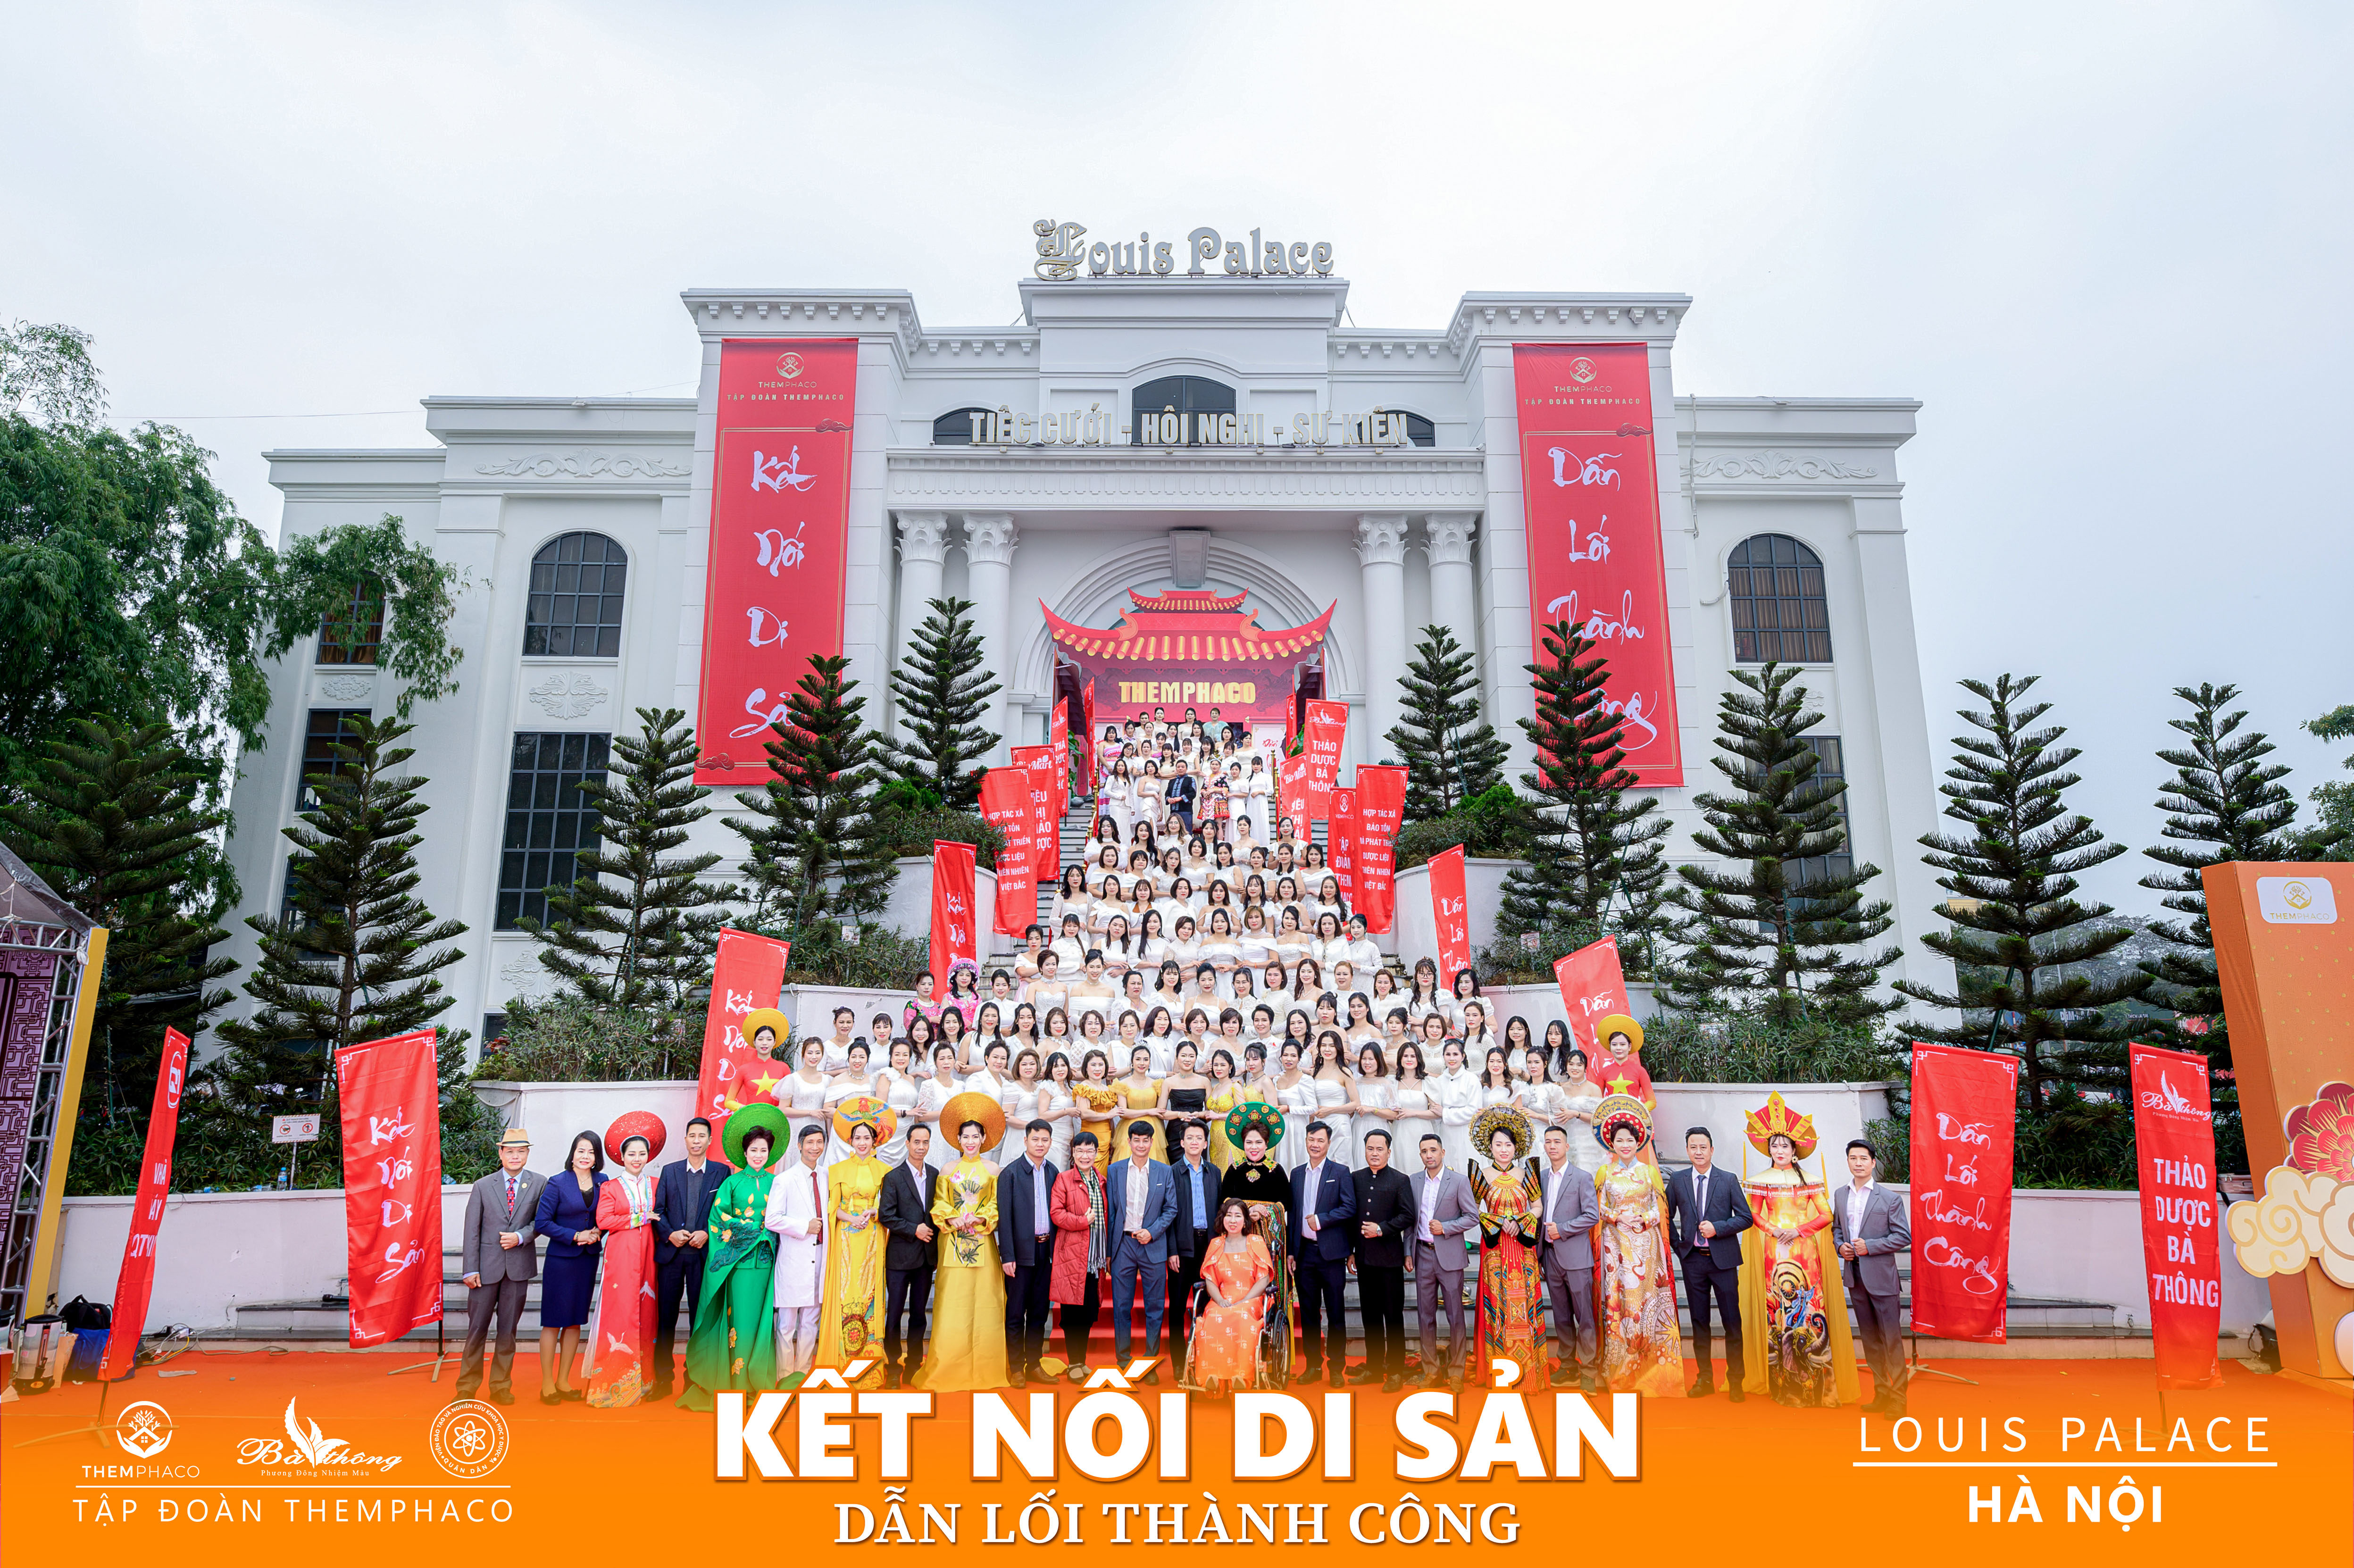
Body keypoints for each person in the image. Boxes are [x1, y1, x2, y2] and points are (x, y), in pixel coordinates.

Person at [1738, 1099, 1860, 1409]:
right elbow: (1753, 1214)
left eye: (1785, 1146)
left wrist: (1798, 1230)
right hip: (1774, 1252)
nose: (1779, 1150)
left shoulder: (1810, 1182)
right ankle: (1783, 1385)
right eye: (1774, 1146)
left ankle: (1818, 1385)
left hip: (1805, 1253)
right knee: (1778, 1309)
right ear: (1769, 1150)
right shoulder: (1760, 1182)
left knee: (1809, 1309)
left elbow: (1827, 1216)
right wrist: (1773, 1229)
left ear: (1795, 1150)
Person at [678, 1103, 787, 1410]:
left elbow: (782, 1220)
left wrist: (769, 1233)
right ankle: (736, 1383)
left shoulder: (777, 1183)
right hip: (739, 1265)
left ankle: (757, 1380)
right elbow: (718, 1220)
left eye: (763, 1150)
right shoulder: (731, 1183)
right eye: (754, 1150)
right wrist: (757, 1230)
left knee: (761, 1323)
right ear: (745, 1152)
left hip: (766, 1263)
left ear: (770, 1153)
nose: (758, 1156)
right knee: (739, 1322)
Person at [1594, 1104, 1685, 1396]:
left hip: (1646, 1245)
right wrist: (1618, 1217)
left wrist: (1644, 1219)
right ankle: (1619, 1368)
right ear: (1612, 1143)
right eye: (1619, 1140)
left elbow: (1661, 1209)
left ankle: (1651, 1369)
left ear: (1638, 1143)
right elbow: (1598, 1208)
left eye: (1630, 1140)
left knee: (1647, 1301)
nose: (1625, 1145)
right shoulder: (1605, 1172)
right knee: (1619, 1302)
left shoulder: (1649, 1172)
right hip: (1615, 1245)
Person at [919, 1106, 1012, 1391]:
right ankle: (949, 1365)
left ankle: (987, 1367)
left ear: (984, 1138)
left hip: (983, 1241)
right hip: (953, 1242)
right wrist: (952, 1217)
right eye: (966, 1137)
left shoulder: (994, 1170)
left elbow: (997, 1204)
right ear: (958, 1140)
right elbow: (939, 1202)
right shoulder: (948, 1170)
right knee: (953, 1303)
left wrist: (982, 1217)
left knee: (987, 1303)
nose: (970, 1142)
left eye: (975, 1136)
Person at [456, 1128, 546, 1405]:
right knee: (477, 1330)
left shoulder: (539, 1183)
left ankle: (501, 1386)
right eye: (510, 1151)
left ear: (528, 1154)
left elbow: (542, 1221)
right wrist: (470, 1269)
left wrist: (521, 1236)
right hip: (485, 1270)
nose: (515, 1156)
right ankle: (467, 1387)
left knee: (508, 1332)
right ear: (501, 1153)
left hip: (518, 1269)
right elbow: (472, 1229)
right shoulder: (483, 1186)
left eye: (521, 1151)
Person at [1666, 1125, 1754, 1402]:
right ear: (1687, 1150)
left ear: (1712, 1150)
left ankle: (1736, 1381)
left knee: (1732, 1322)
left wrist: (1718, 1228)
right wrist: (1680, 1248)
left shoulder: (1728, 1180)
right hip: (1693, 1261)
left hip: (1724, 1262)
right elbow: (1665, 1216)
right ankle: (1704, 1379)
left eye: (1703, 1147)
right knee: (1699, 1323)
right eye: (1693, 1147)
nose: (1699, 1152)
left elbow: (1746, 1218)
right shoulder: (1678, 1180)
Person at [651, 1117, 729, 1400]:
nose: (696, 1141)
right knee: (665, 1320)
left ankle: (695, 1379)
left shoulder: (722, 1172)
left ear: (710, 1141)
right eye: (692, 1136)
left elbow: (725, 1213)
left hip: (702, 1256)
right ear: (685, 1140)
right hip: (672, 1256)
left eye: (702, 1136)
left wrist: (708, 1233)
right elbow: (658, 1211)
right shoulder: (669, 1171)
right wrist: (670, 1234)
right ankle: (662, 1379)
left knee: (700, 1320)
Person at [1468, 1109, 1546, 1388]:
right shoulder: (1481, 1175)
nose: (1503, 1150)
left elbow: (1538, 1207)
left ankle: (1529, 1372)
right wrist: (1500, 1222)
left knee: (1525, 1302)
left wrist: (1521, 1221)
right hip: (1495, 1248)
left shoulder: (1527, 1173)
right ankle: (1500, 1371)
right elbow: (1473, 1209)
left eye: (1508, 1145)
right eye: (1498, 1144)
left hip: (1522, 1247)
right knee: (1497, 1304)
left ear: (1517, 1147)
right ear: (1490, 1147)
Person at [1834, 1136, 1912, 1416]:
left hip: (1882, 1279)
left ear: (1873, 1163)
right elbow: (1837, 1229)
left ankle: (1899, 1398)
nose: (1858, 1163)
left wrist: (1871, 1246)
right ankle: (1881, 1393)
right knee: (1870, 1340)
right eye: (1853, 1158)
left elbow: (1903, 1236)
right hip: (1855, 1277)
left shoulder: (1889, 1198)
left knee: (1891, 1340)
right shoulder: (1840, 1195)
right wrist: (1840, 1246)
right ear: (1848, 1162)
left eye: (1863, 1159)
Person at [585, 1129, 662, 1406]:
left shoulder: (657, 1184)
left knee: (647, 1312)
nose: (637, 1159)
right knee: (619, 1312)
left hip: (649, 1253)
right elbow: (604, 1220)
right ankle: (612, 1383)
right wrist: (641, 1217)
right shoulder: (611, 1187)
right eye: (632, 1154)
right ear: (622, 1157)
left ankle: (645, 1381)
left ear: (649, 1156)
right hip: (621, 1254)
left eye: (642, 1154)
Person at [815, 1112, 892, 1388]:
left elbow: (887, 1206)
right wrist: (850, 1218)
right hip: (846, 1239)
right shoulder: (837, 1170)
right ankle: (842, 1362)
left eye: (867, 1138)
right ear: (850, 1141)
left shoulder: (885, 1171)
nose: (862, 1142)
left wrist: (873, 1212)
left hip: (872, 1238)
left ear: (874, 1141)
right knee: (846, 1294)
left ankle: (869, 1366)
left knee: (870, 1295)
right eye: (857, 1138)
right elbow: (832, 1208)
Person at [534, 1130, 608, 1403]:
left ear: (597, 1157)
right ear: (573, 1154)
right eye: (581, 1151)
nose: (585, 1156)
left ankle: (564, 1381)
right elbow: (542, 1223)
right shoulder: (557, 1183)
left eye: (591, 1152)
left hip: (587, 1260)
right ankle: (547, 1384)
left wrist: (599, 1231)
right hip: (561, 1261)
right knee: (553, 1322)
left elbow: (606, 1215)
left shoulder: (603, 1181)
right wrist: (576, 1236)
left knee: (575, 1321)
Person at [1104, 1120, 1177, 1379]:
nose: (1141, 1145)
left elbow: (1171, 1209)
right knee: (1121, 1306)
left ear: (1152, 1142)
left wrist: (1153, 1231)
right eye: (1137, 1140)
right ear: (1129, 1142)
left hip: (1152, 1244)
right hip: (1123, 1245)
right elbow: (1112, 1212)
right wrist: (1109, 1251)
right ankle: (1123, 1360)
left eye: (1146, 1141)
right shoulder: (1115, 1171)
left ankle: (1149, 1362)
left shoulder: (1164, 1171)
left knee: (1154, 1308)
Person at [1288, 1121, 1357, 1385]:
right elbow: (1294, 1215)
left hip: (1331, 1254)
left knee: (1336, 1313)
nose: (1315, 1145)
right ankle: (1313, 1366)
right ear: (1306, 1141)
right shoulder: (1297, 1174)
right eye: (1311, 1140)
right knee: (1308, 1312)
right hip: (1304, 1253)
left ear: (1329, 1144)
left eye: (1320, 1141)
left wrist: (1322, 1219)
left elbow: (1349, 1208)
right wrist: (1292, 1252)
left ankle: (1337, 1368)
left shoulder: (1340, 1172)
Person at [1408, 1132, 1478, 1389]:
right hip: (1423, 1254)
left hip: (1450, 1255)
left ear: (1443, 1152)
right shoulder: (1414, 1181)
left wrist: (1446, 1228)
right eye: (1424, 1151)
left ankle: (1457, 1372)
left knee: (1455, 1315)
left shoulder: (1458, 1181)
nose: (1429, 1155)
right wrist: (1408, 1252)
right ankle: (1431, 1371)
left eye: (1433, 1150)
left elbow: (1473, 1217)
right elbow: (1410, 1221)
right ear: (1420, 1155)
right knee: (1425, 1316)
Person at [1536, 1124, 1603, 1392]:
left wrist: (1562, 1230)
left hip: (1576, 1257)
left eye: (1557, 1142)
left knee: (1584, 1316)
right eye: (1548, 1142)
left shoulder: (1582, 1177)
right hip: (1550, 1256)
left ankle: (1589, 1370)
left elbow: (1592, 1216)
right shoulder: (1540, 1177)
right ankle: (1567, 1366)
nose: (1552, 1146)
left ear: (1567, 1146)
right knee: (1561, 1316)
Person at [995, 1118, 1061, 1387]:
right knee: (1015, 1313)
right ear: (1025, 1141)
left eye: (1045, 1140)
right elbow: (1004, 1219)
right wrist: (1008, 1256)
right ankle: (1016, 1368)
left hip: (1046, 1251)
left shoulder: (1053, 1172)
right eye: (1035, 1139)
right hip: (1020, 1254)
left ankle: (1034, 1364)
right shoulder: (1010, 1174)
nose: (1040, 1144)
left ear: (1051, 1142)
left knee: (1039, 1312)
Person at [1189, 1197, 1276, 1396]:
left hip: (1252, 1298)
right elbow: (1210, 1279)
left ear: (1245, 1221)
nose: (1233, 1220)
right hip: (1222, 1298)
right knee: (1212, 1318)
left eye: (1238, 1216)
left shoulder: (1256, 1242)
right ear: (1223, 1219)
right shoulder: (1216, 1244)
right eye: (1229, 1216)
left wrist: (1245, 1300)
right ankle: (1212, 1376)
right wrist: (1219, 1300)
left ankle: (1241, 1376)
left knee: (1242, 1317)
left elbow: (1264, 1279)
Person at [765, 1125, 831, 1380]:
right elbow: (772, 1219)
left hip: (820, 1257)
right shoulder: (784, 1179)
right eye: (810, 1142)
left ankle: (802, 1375)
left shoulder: (827, 1176)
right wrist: (804, 1227)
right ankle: (784, 1376)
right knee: (786, 1324)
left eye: (819, 1142)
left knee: (810, 1322)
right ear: (800, 1145)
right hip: (794, 1258)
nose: (815, 1147)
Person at [1351, 1127, 1414, 1392]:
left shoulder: (1400, 1180)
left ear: (1389, 1152)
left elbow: (1408, 1216)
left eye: (1380, 1149)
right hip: (1364, 1258)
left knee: (1393, 1317)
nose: (1375, 1154)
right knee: (1371, 1316)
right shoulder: (1356, 1178)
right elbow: (1351, 1217)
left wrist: (1381, 1229)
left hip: (1390, 1260)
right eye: (1370, 1149)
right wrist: (1352, 1250)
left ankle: (1396, 1372)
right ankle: (1375, 1369)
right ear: (1364, 1150)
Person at [877, 1124, 939, 1390]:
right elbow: (886, 1216)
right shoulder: (893, 1177)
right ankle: (893, 1367)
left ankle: (914, 1365)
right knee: (893, 1316)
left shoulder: (935, 1175)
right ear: (907, 1143)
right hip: (900, 1259)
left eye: (925, 1142)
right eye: (917, 1142)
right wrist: (914, 1229)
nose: (921, 1147)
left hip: (925, 1258)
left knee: (918, 1316)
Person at [1048, 1130, 1111, 1381]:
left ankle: (1081, 1361)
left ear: (1097, 1153)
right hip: (1073, 1257)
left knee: (1088, 1312)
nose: (1085, 1156)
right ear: (1073, 1153)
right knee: (1072, 1313)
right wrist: (1082, 1222)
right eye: (1080, 1151)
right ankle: (1073, 1362)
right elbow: (1056, 1214)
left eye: (1090, 1151)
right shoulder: (1063, 1179)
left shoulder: (1102, 1181)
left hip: (1095, 1260)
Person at [1166, 1118, 1219, 1348]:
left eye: (1199, 1138)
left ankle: (1203, 1352)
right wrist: (1172, 1250)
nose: (1195, 1142)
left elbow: (1220, 1212)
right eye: (1190, 1138)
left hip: (1208, 1247)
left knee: (1207, 1304)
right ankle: (1179, 1359)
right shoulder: (1171, 1173)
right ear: (1182, 1143)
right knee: (1177, 1305)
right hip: (1182, 1248)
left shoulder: (1214, 1172)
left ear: (1206, 1143)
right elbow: (1167, 1215)